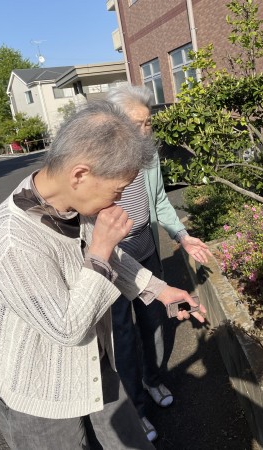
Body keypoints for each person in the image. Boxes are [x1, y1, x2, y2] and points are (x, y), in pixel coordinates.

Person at [0, 100, 206, 450]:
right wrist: (99, 250)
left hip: (95, 362)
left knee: (130, 442)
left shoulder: (68, 200)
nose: (119, 200)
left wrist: (158, 290)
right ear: (80, 175)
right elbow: (66, 328)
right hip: (39, 387)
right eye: (118, 189)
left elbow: (113, 257)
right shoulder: (11, 241)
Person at [106, 84, 212, 441]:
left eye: (148, 123)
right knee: (121, 336)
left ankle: (152, 380)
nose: (144, 131)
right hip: (114, 261)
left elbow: (160, 202)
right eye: (136, 124)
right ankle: (135, 408)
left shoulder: (149, 157)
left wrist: (181, 235)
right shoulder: (102, 162)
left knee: (154, 321)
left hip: (147, 251)